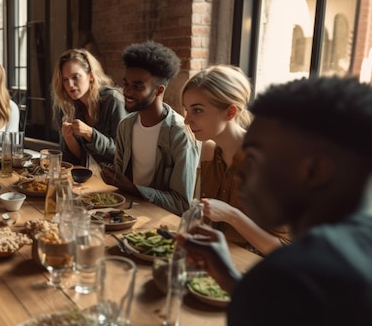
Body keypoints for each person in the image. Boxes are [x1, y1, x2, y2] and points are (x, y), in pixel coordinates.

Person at [176, 76, 372, 326]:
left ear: (314, 170)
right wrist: (228, 276)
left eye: (255, 157)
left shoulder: (283, 277)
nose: (242, 172)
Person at [181, 64, 290, 255]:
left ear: (230, 112)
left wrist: (232, 215)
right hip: (214, 263)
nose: (187, 120)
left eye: (197, 110)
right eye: (186, 110)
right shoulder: (208, 150)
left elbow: (285, 250)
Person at [101, 41, 199, 214]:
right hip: (128, 213)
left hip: (160, 223)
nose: (127, 92)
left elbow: (181, 203)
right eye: (126, 84)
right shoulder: (125, 126)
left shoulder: (180, 134)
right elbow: (120, 180)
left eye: (137, 86)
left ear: (158, 90)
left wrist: (134, 188)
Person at [51, 48, 126, 168]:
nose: (70, 84)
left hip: (116, 179)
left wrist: (90, 134)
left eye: (75, 77)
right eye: (65, 79)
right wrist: (68, 138)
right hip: (86, 178)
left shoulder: (113, 100)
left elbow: (122, 154)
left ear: (91, 76)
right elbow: (78, 159)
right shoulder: (67, 106)